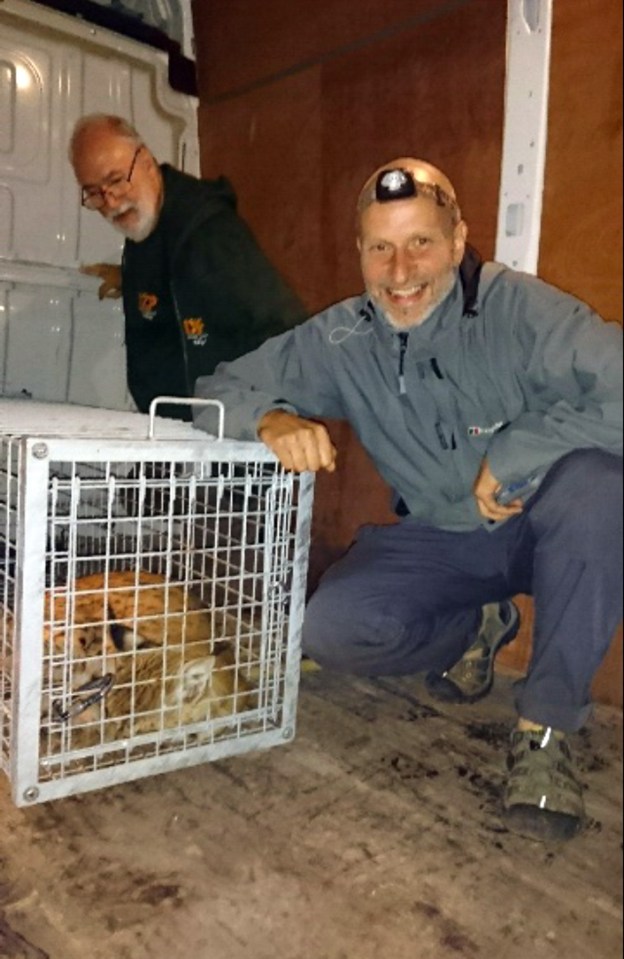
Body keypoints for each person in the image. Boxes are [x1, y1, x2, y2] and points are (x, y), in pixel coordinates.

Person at [192, 157, 623, 843]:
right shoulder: (342, 338)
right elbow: (216, 386)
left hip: (541, 524)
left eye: (421, 242)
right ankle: (476, 624)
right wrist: (270, 418)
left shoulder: (519, 309)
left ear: (457, 240)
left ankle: (545, 730)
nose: (400, 271)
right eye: (380, 247)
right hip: (439, 538)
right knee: (332, 626)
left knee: (603, 488)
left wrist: (516, 452)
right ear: (359, 253)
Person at [68, 114, 306, 419]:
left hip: (223, 437)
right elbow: (180, 282)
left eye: (115, 180)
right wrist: (128, 279)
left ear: (146, 161)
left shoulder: (208, 233)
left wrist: (270, 417)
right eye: (94, 193)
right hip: (172, 433)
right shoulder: (146, 219)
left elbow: (284, 328)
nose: (111, 202)